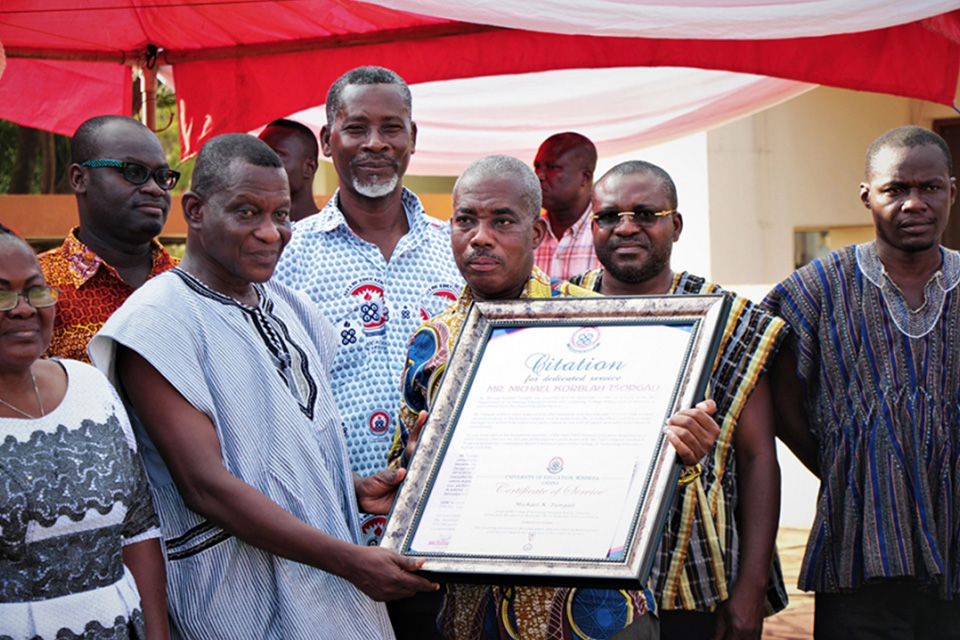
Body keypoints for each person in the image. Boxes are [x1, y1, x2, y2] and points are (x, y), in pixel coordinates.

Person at [89, 134, 437, 639]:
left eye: (280, 215)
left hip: (335, 598)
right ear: (196, 210)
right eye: (247, 213)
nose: (271, 233)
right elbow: (205, 487)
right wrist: (352, 561)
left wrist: (350, 491)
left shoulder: (293, 311)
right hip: (241, 599)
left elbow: (285, 450)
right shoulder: (155, 324)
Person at [389, 155, 722, 640]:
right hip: (470, 614)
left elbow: (660, 471)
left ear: (537, 233)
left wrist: (686, 452)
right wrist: (418, 469)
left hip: (597, 615)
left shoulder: (606, 325)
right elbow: (401, 468)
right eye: (466, 220)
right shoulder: (431, 343)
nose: (480, 236)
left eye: (502, 220)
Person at [568, 161, 787, 640]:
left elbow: (757, 457)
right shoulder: (558, 310)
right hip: (579, 571)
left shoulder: (728, 320)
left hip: (694, 573)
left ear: (676, 225)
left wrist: (749, 591)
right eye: (609, 216)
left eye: (646, 213)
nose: (626, 227)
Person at [762, 125, 960, 639]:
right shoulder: (817, 287)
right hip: (858, 549)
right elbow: (775, 395)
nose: (915, 203)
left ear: (952, 192)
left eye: (930, 188)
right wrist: (847, 468)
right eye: (896, 189)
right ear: (867, 196)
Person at [273, 66, 463, 545]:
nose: (375, 143)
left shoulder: (457, 251)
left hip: (451, 524)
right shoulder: (286, 259)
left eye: (391, 128)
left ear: (412, 138)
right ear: (327, 139)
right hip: (335, 535)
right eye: (356, 127)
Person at [0, 224, 169, 640]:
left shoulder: (90, 385)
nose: (22, 308)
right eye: (1, 292)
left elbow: (139, 532)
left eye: (35, 290)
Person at [38, 115, 179, 363]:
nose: (155, 189)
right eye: (134, 172)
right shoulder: (36, 286)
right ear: (80, 179)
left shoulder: (191, 283)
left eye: (162, 176)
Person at [532, 132, 601, 279]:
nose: (539, 175)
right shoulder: (527, 233)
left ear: (585, 177)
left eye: (552, 167)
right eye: (537, 166)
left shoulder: (607, 233)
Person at [258, 118, 320, 222]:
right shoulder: (246, 232)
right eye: (258, 154)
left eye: (277, 154)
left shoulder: (335, 233)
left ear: (310, 168)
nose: (261, 162)